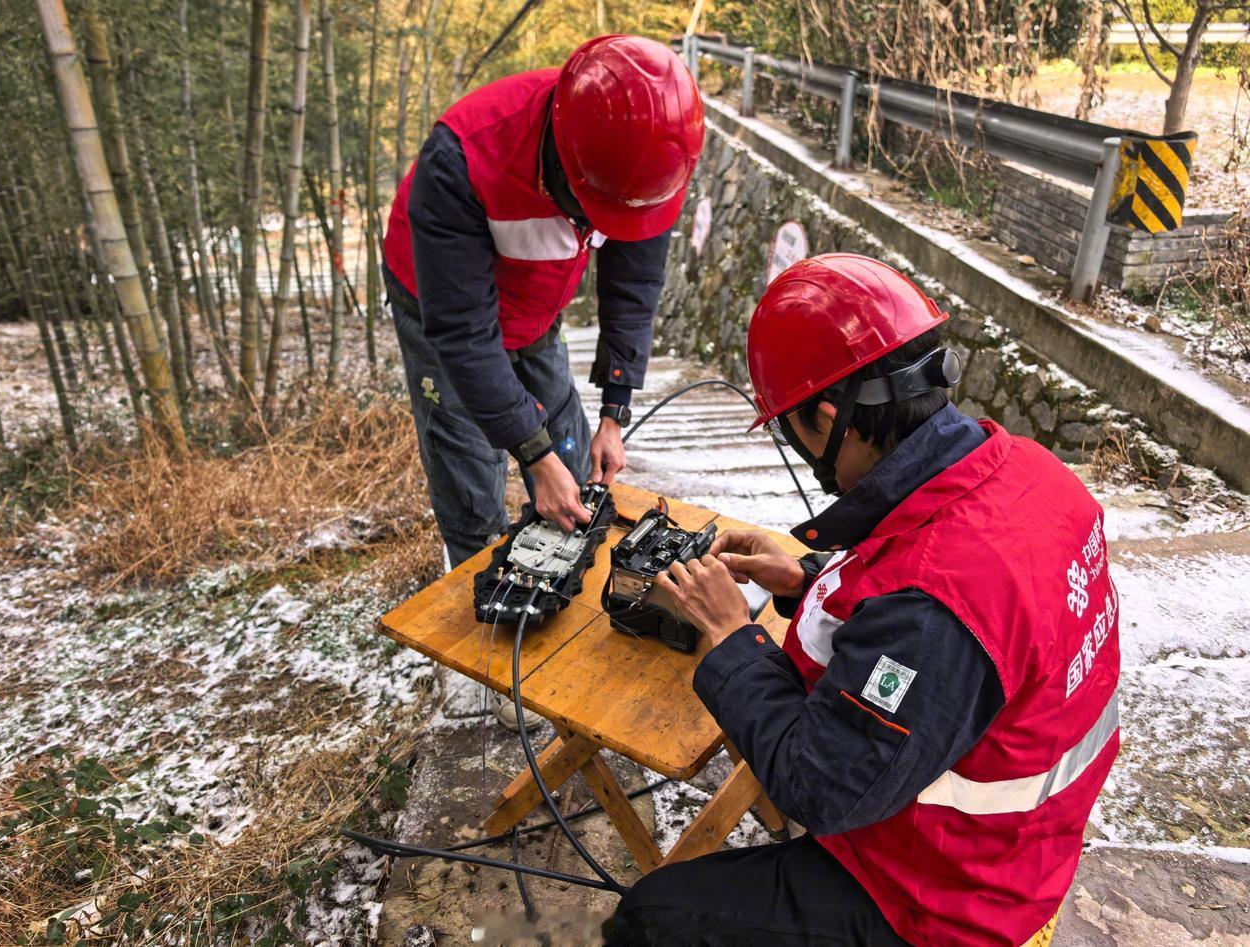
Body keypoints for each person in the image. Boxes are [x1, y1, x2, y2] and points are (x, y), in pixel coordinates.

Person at [604, 254, 1121, 946]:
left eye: (791, 426)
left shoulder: (936, 604)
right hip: (1019, 849)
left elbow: (817, 785)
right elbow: (945, 619)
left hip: (945, 901)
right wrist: (807, 577)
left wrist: (732, 637)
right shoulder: (1034, 474)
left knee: (650, 918)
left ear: (828, 419)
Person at [382, 34, 704, 571]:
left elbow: (633, 289)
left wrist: (614, 412)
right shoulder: (463, 157)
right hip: (438, 302)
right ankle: (473, 580)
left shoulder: (647, 159)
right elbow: (464, 334)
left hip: (538, 303)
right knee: (471, 467)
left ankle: (564, 583)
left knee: (574, 465)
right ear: (565, 161)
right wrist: (531, 454)